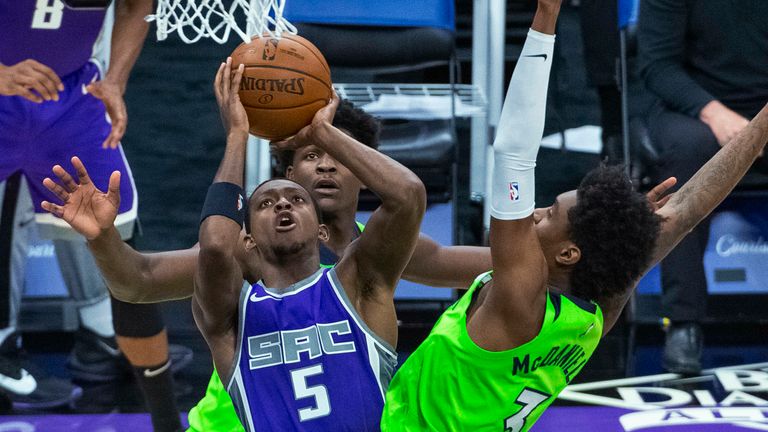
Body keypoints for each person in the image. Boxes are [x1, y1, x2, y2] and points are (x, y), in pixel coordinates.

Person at [380, 0, 768, 429]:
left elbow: (513, 151)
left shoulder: (518, 296)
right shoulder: (597, 313)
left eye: (547, 214)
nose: (532, 215)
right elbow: (691, 206)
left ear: (567, 254)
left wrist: (545, 17)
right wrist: (761, 126)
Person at [44, 57, 427, 430]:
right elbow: (161, 270)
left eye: (295, 200)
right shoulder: (233, 307)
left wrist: (321, 131)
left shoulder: (360, 282)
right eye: (264, 202)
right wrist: (102, 238)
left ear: (321, 233)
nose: (281, 203)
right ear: (246, 238)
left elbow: (408, 195)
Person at [0, 0, 189, 427]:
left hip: (71, 99)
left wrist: (116, 81)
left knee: (123, 254)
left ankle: (165, 419)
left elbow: (137, 5)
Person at [638, 0, 768, 374]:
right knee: (688, 152)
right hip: (696, 107)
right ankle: (683, 323)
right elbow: (657, 65)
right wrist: (716, 114)